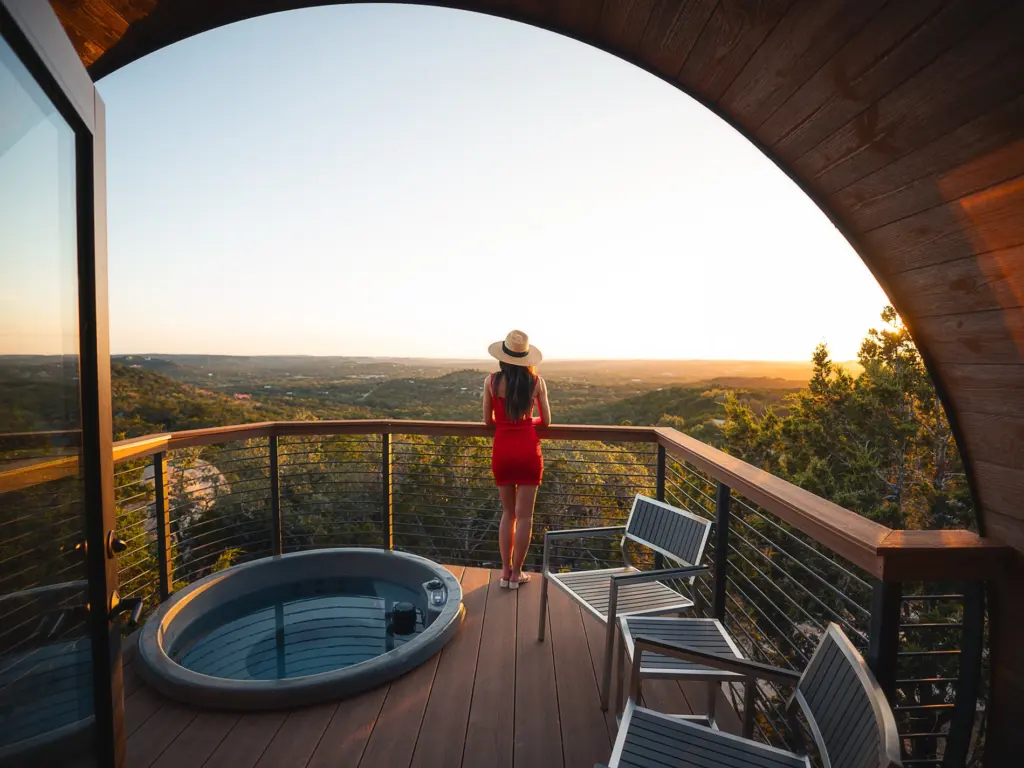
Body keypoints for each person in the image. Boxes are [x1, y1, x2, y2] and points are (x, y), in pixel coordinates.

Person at [483, 330, 551, 589]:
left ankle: (504, 571)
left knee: (508, 514)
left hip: (502, 449)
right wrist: (526, 421)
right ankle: (517, 574)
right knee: (525, 517)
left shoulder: (490, 382)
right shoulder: (536, 382)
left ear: (502, 357)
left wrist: (506, 422)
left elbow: (488, 421)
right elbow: (546, 421)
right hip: (527, 449)